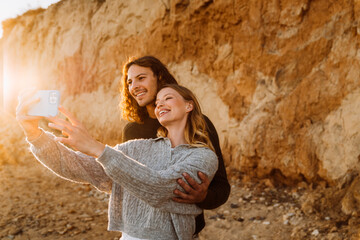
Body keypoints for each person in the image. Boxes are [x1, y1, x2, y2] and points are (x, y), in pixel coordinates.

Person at [16, 84, 218, 240]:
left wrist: (97, 148)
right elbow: (79, 167)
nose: (160, 104)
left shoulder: (203, 156)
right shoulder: (136, 147)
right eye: (157, 102)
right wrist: (33, 134)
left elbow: (160, 188)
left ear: (188, 105)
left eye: (168, 98)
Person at [120, 56, 230, 235]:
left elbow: (222, 187)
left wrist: (204, 197)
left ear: (160, 78)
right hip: (143, 233)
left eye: (141, 78)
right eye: (130, 82)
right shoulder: (132, 132)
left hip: (185, 232)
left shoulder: (199, 125)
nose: (134, 86)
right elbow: (130, 185)